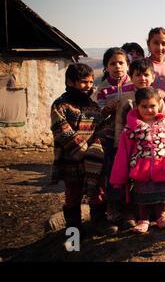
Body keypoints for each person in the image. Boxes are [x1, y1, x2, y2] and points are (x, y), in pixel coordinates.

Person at [110, 87, 165, 233]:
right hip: (140, 170)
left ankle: (161, 216)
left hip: (163, 167)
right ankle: (143, 220)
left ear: (159, 105)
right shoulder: (131, 129)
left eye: (152, 106)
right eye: (144, 106)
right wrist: (118, 178)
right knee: (142, 195)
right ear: (137, 106)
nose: (149, 110)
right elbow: (123, 154)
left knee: (161, 195)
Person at [49, 63, 113, 237]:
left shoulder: (91, 104)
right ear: (70, 82)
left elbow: (97, 126)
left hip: (92, 160)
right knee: (73, 194)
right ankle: (74, 233)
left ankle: (98, 223)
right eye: (84, 82)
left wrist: (106, 115)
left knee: (97, 190)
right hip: (71, 159)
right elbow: (62, 131)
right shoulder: (61, 105)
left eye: (91, 82)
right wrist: (83, 152)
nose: (89, 86)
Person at [96, 47, 134, 231]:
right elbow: (97, 115)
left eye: (121, 63)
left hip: (132, 136)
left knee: (132, 171)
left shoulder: (134, 84)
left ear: (128, 65)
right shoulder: (103, 89)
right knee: (113, 172)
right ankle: (113, 209)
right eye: (112, 63)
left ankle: (131, 210)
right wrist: (106, 109)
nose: (117, 66)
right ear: (106, 67)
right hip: (110, 138)